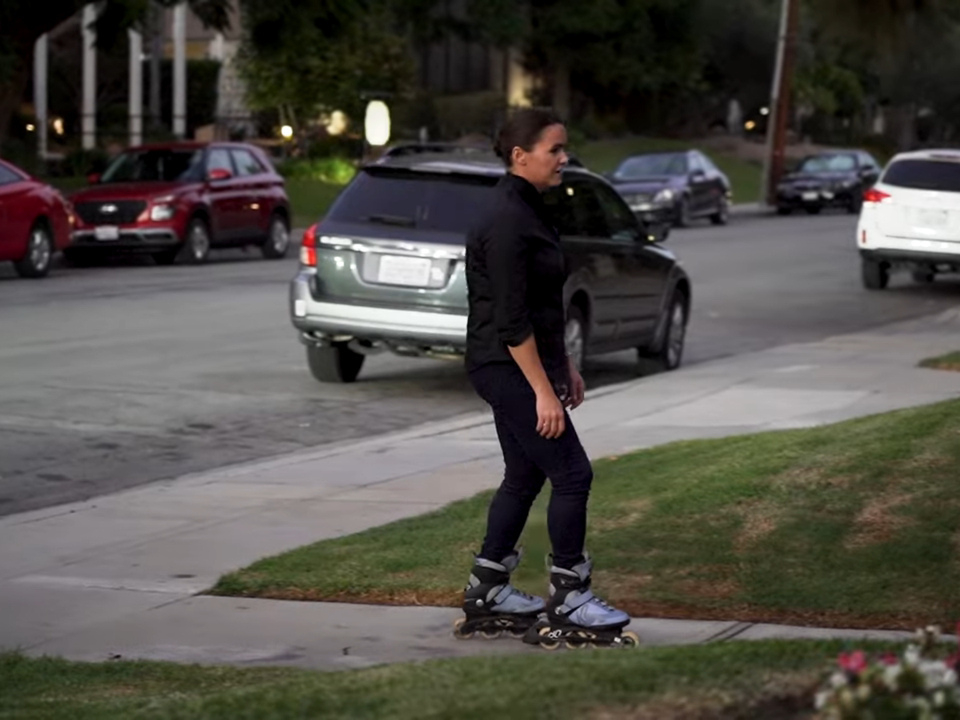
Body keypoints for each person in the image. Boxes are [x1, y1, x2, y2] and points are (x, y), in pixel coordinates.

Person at [453, 108, 637, 649]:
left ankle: (487, 588)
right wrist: (541, 391)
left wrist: (565, 367)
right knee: (572, 473)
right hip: (504, 365)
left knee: (525, 475)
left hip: (516, 364)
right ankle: (570, 595)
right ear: (520, 155)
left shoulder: (527, 209)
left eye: (564, 148)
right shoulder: (507, 219)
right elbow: (511, 320)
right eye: (554, 149)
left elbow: (543, 304)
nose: (564, 158)